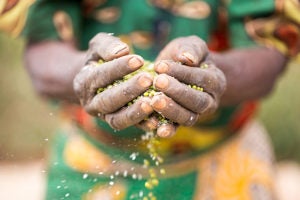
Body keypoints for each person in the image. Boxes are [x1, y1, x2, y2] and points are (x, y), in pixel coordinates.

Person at [3, 0, 300, 199]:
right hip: (92, 160)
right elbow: (43, 49)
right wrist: (84, 73)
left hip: (226, 157)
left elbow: (269, 50)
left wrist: (218, 74)